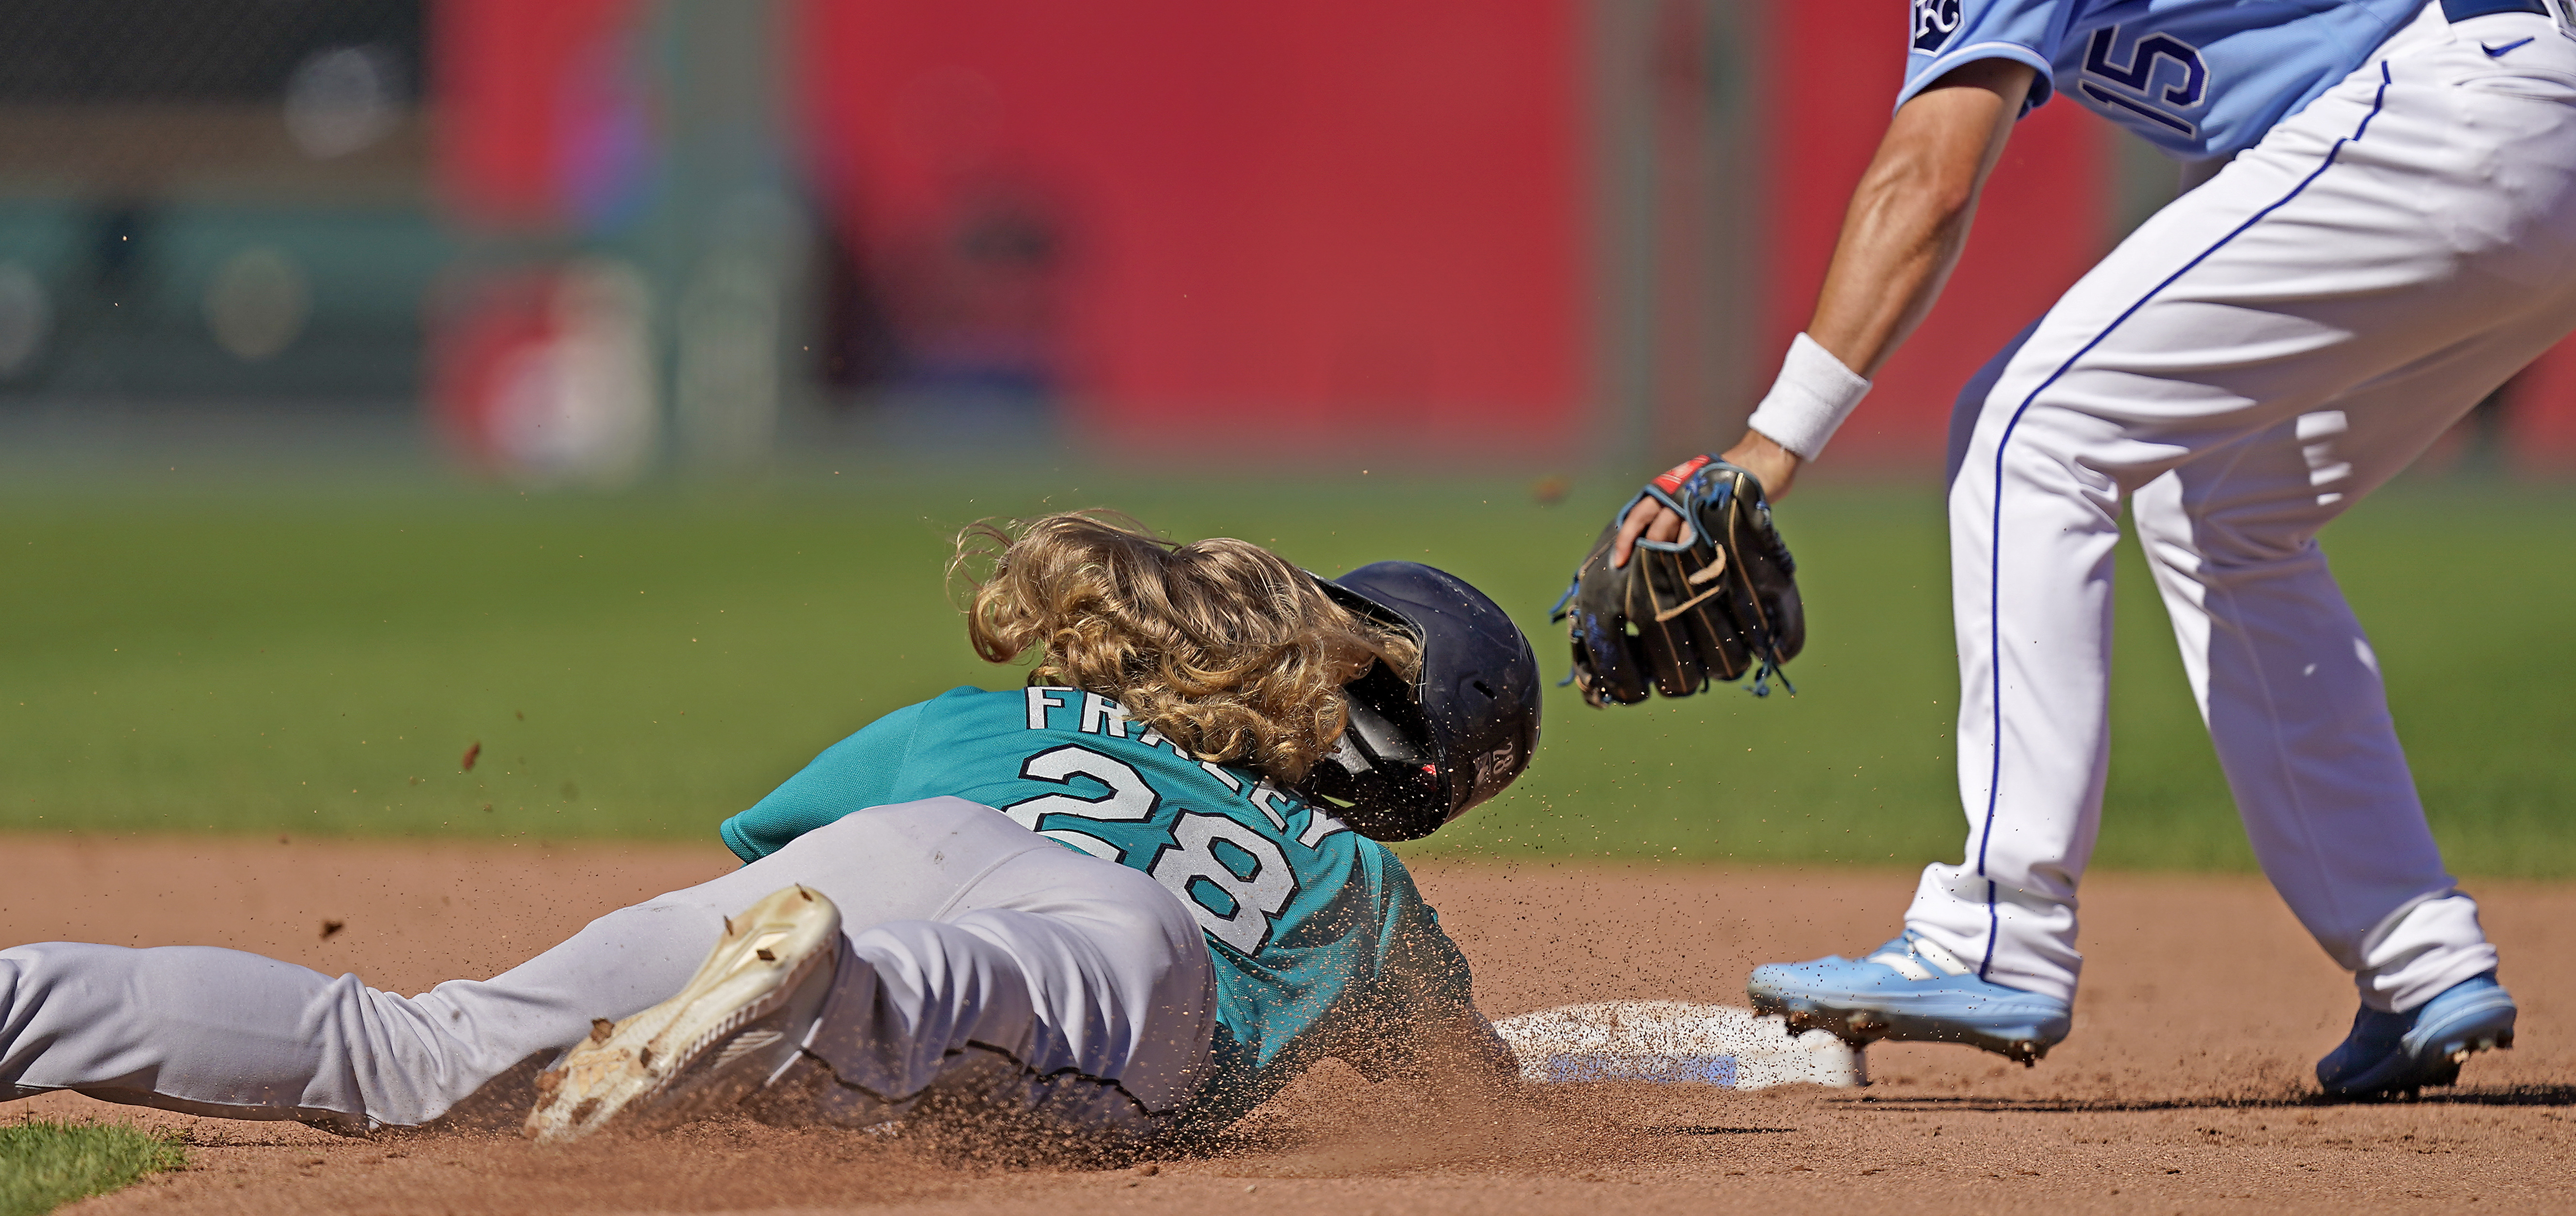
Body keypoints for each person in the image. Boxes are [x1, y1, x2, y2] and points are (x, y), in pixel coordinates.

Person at [1614, 0, 2576, 1098]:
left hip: (2439, 114)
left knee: (2025, 428)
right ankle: (2417, 958)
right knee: (2226, 500)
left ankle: (1998, 932)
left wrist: (1762, 453)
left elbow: (1925, 177)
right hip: (2547, 137)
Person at [0, 512, 1540, 1142]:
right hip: (1115, 962)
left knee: (415, 1055)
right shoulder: (1352, 876)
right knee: (944, 1002)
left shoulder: (997, 722)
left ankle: (26, 1000)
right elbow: (1466, 1101)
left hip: (868, 863)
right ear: (1418, 779)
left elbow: (773, 852)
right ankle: (828, 1000)